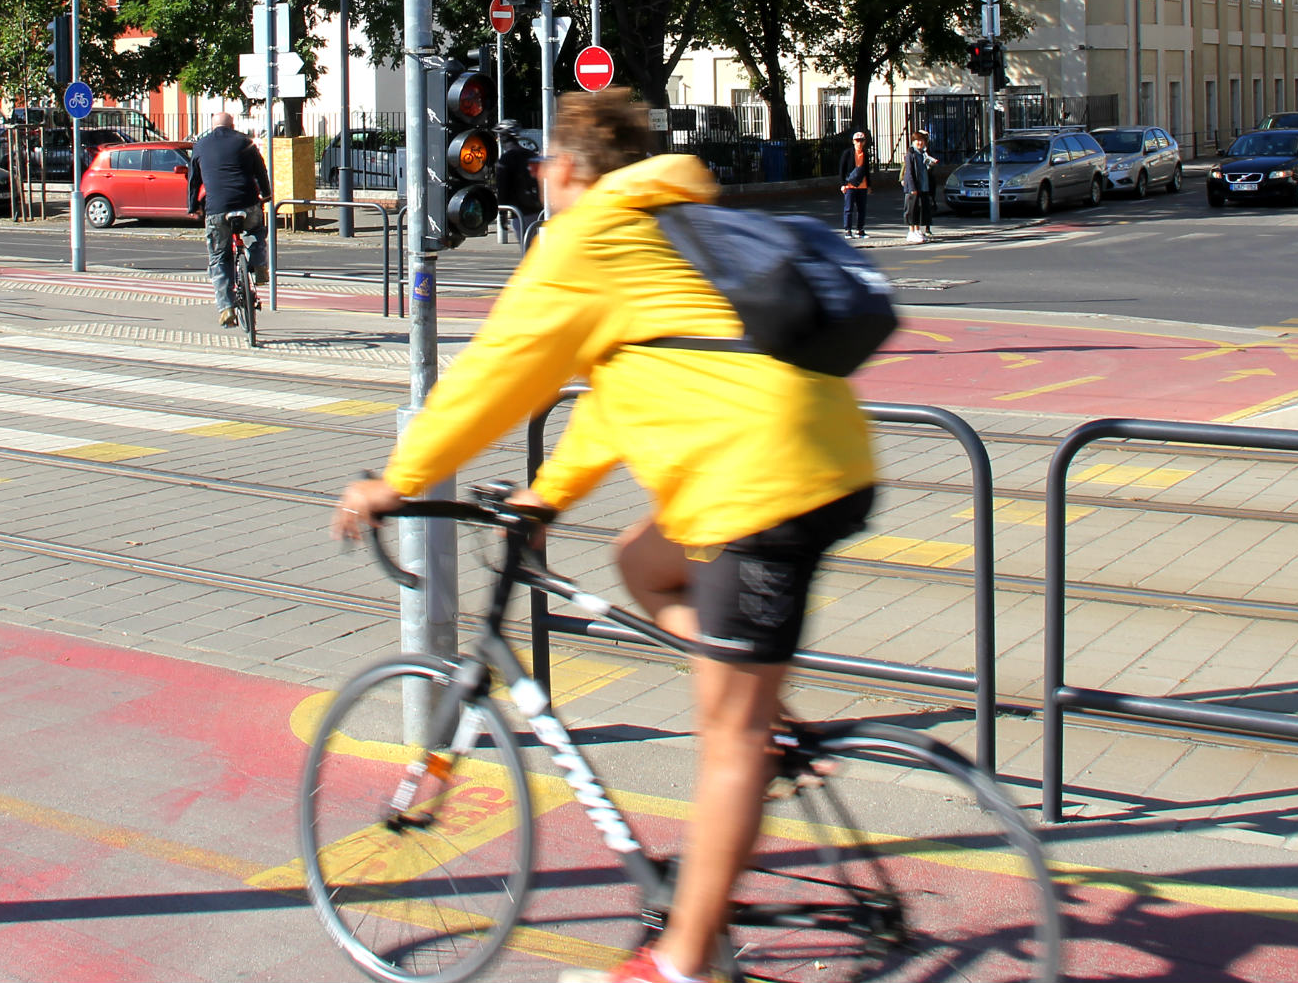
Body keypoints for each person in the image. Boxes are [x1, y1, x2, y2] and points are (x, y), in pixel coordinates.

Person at [333, 88, 875, 983]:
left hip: (763, 486)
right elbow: (623, 396)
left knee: (725, 742)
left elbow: (495, 373)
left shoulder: (588, 240)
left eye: (544, 162)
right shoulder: (675, 218)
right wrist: (546, 497)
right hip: (813, 457)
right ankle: (755, 701)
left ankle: (680, 964)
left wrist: (398, 478)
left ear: (573, 169)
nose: (538, 177)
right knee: (639, 561)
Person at [186, 111, 271, 325]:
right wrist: (266, 193)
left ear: (213, 126)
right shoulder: (244, 141)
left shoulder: (201, 145)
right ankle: (260, 265)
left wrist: (193, 206)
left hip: (217, 210)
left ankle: (226, 309)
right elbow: (260, 170)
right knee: (257, 230)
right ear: (232, 125)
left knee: (219, 258)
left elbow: (193, 180)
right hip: (247, 204)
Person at [900, 129, 938, 244]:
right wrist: (912, 188)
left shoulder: (922, 154)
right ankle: (911, 232)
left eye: (921, 140)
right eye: (917, 141)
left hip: (923, 186)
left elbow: (925, 170)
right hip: (914, 187)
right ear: (913, 142)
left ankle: (917, 230)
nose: (919, 143)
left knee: (919, 210)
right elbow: (909, 172)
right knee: (911, 210)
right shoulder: (911, 154)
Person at [837, 129, 873, 238]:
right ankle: (848, 230)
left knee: (862, 208)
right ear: (853, 141)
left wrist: (869, 185)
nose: (859, 143)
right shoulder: (847, 153)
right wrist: (843, 184)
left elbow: (867, 171)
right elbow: (842, 170)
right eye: (857, 141)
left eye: (861, 140)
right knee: (849, 208)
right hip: (850, 185)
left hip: (862, 185)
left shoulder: (865, 154)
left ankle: (860, 229)